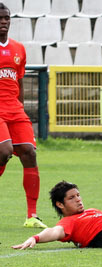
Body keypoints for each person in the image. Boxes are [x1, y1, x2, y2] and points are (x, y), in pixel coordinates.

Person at [0, 3, 46, 229]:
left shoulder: (18, 48)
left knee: (29, 153)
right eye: (0, 18)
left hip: (14, 108)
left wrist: (22, 107)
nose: (4, 22)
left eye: (7, 18)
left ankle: (32, 215)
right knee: (5, 151)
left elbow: (19, 82)